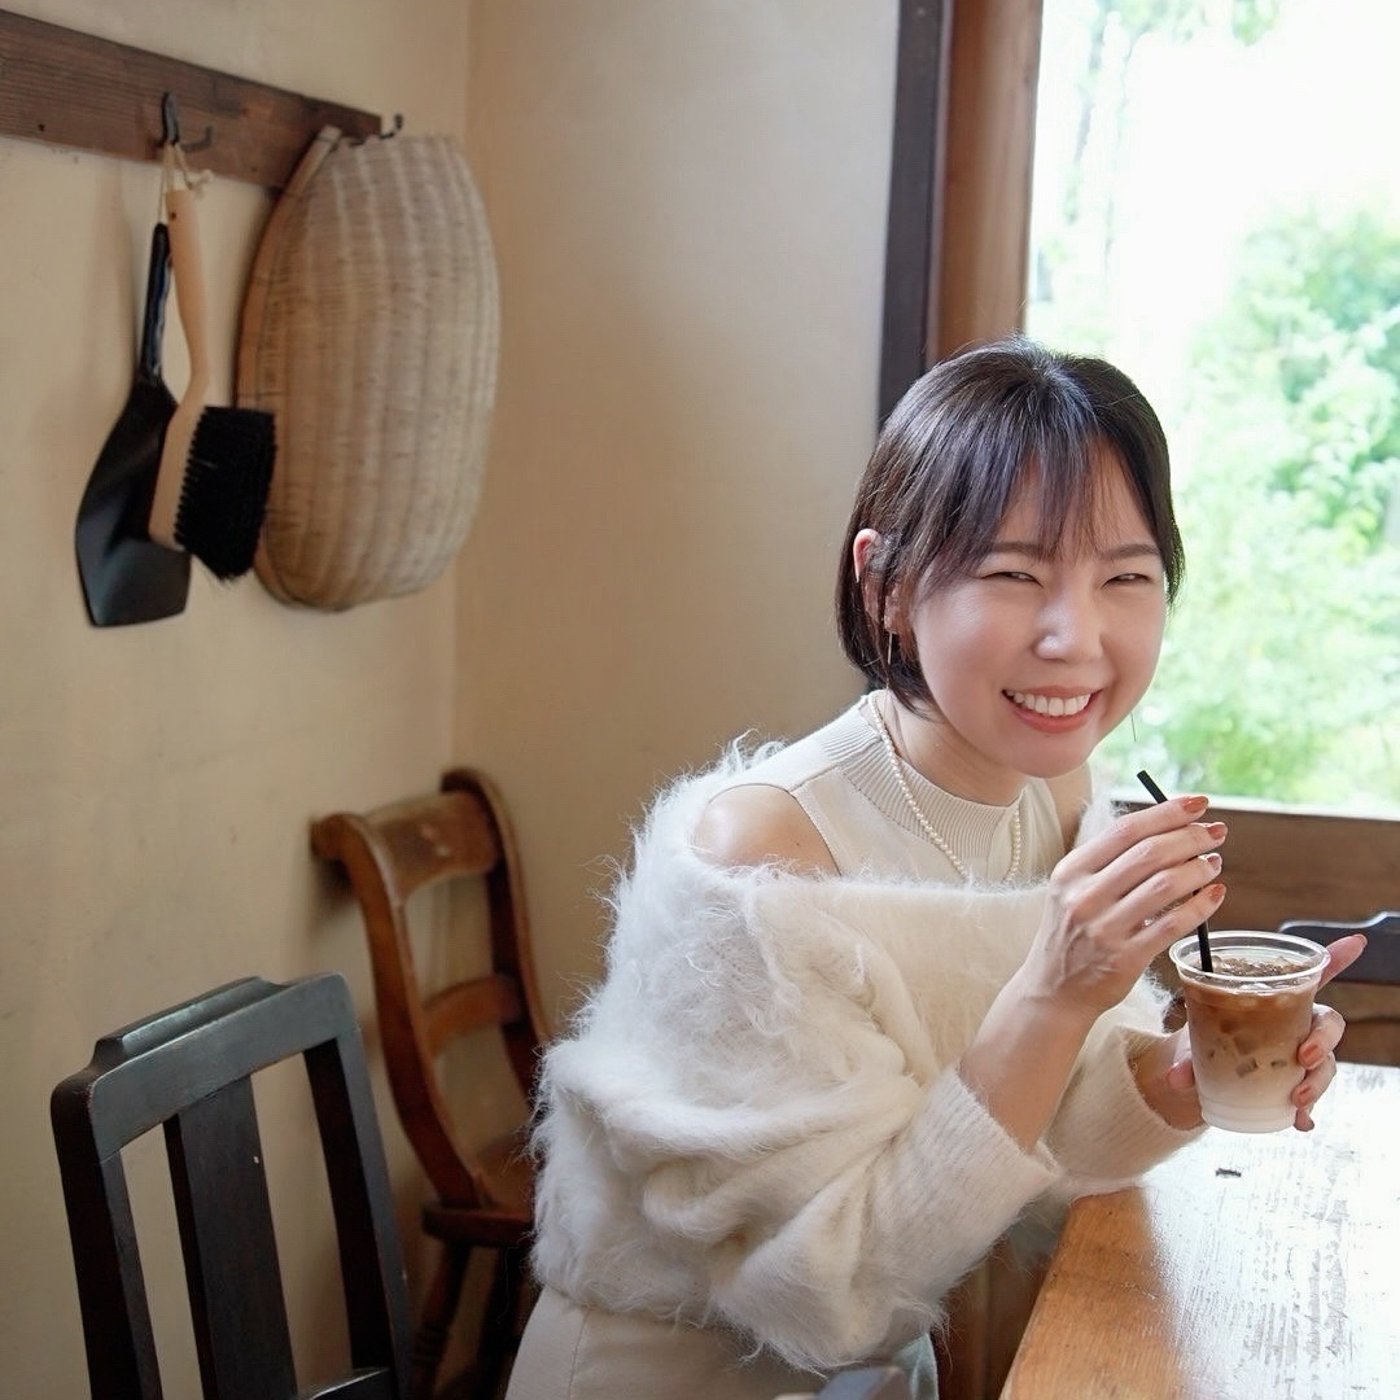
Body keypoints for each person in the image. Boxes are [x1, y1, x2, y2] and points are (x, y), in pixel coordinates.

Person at [504, 339, 1363, 1400]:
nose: (1076, 636)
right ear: (887, 585)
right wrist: (1054, 990)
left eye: (1126, 577)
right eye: (1014, 575)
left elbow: (1042, 1128)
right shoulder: (757, 859)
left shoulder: (1053, 790)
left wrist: (1180, 1077)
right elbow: (829, 1296)